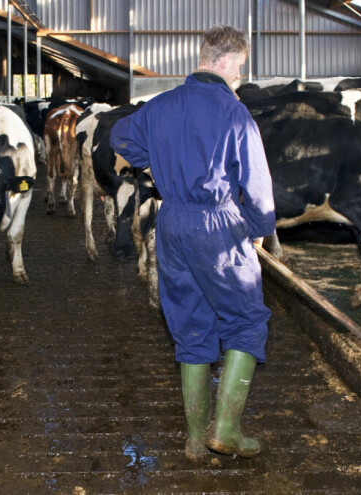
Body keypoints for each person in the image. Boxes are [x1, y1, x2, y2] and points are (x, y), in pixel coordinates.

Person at [110, 24, 276, 460]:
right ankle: (225, 429)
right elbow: (256, 185)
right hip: (218, 224)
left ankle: (193, 439)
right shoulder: (234, 112)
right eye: (239, 67)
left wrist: (158, 166)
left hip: (172, 221)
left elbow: (120, 136)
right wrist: (260, 225)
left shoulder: (159, 105)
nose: (239, 76)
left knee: (190, 323)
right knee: (246, 321)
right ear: (224, 62)